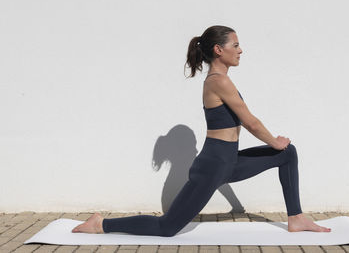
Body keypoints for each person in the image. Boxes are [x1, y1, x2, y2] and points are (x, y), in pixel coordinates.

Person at [72, 25, 331, 236]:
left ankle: (296, 218)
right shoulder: (219, 82)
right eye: (236, 45)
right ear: (219, 50)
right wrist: (274, 141)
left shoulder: (222, 80)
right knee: (167, 227)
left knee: (288, 153)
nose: (241, 50)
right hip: (213, 165)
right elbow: (250, 121)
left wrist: (277, 149)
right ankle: (101, 224)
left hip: (229, 162)